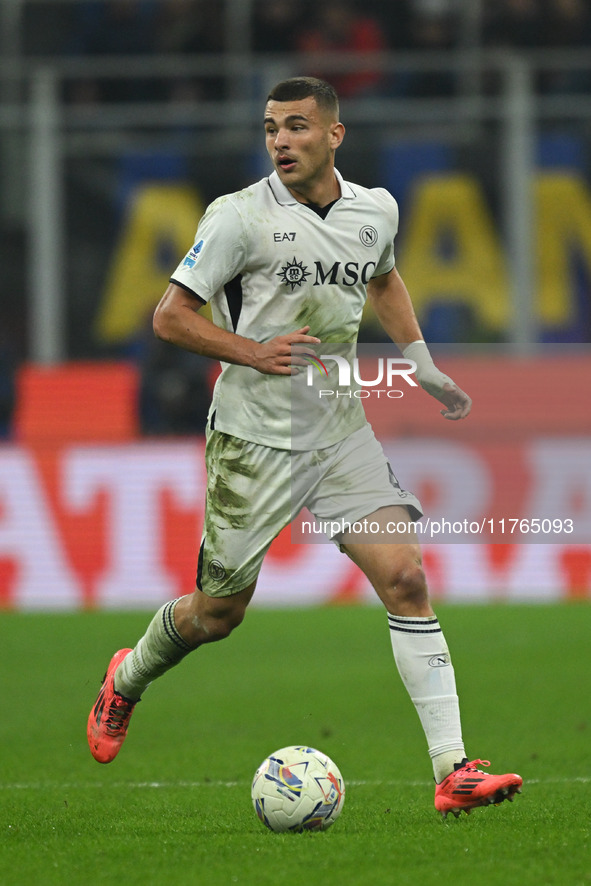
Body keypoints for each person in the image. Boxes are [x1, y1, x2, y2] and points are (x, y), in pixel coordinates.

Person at [87, 76, 522, 818]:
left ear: (332, 134)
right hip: (252, 442)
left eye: (294, 126)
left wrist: (420, 363)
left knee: (406, 577)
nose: (280, 140)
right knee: (217, 615)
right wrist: (249, 352)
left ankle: (452, 770)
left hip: (338, 428)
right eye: (269, 128)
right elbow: (168, 318)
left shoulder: (373, 209)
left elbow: (380, 277)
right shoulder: (238, 219)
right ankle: (127, 678)